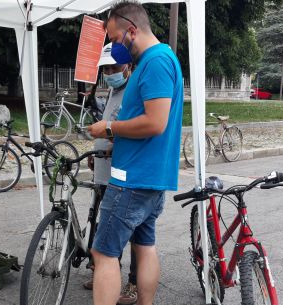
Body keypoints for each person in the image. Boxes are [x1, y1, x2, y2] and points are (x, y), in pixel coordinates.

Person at [87, 1, 184, 305]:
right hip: (150, 177)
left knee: (103, 254)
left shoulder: (155, 62)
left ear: (132, 30)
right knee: (145, 246)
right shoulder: (160, 59)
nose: (115, 47)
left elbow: (155, 122)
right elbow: (149, 122)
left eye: (115, 39)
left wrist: (109, 129)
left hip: (132, 179)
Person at [82, 42, 138, 305]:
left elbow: (130, 129)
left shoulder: (132, 91)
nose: (109, 72)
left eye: (114, 67)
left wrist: (111, 148)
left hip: (123, 173)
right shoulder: (114, 90)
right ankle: (105, 272)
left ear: (127, 66)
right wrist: (97, 154)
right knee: (103, 226)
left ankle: (133, 283)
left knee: (131, 231)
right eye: (105, 69)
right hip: (104, 170)